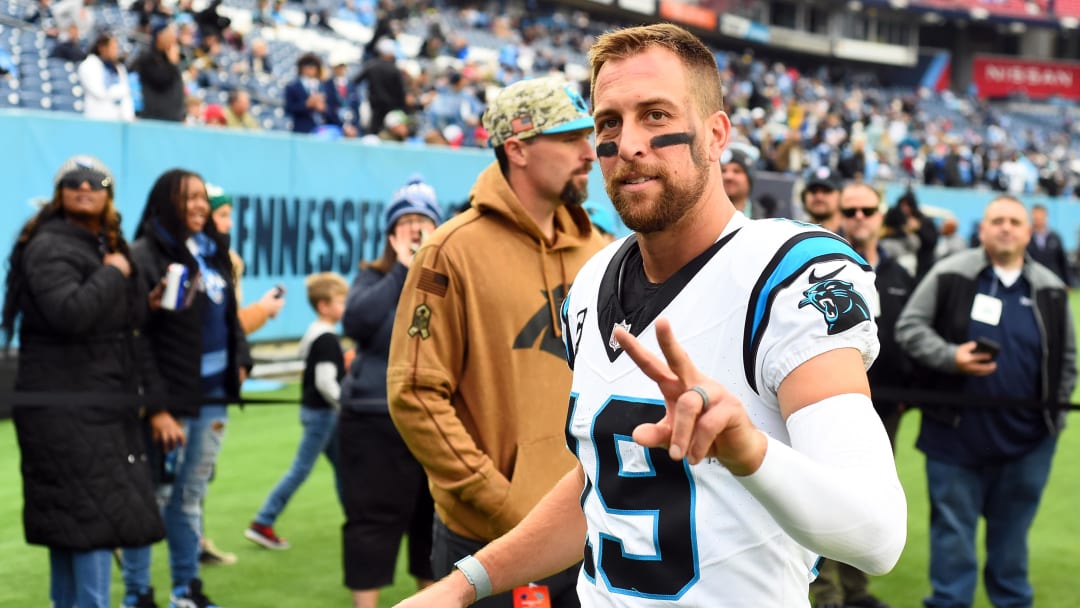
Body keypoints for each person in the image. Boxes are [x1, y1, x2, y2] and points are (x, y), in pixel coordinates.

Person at [392, 23, 906, 608]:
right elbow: (605, 477)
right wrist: (463, 585)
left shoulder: (786, 275)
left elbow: (877, 536)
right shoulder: (590, 282)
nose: (628, 143)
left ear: (715, 135)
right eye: (609, 121)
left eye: (656, 115)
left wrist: (748, 451)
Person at [386, 74, 607, 608]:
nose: (591, 153)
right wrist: (501, 500)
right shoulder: (450, 251)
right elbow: (414, 393)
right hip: (489, 538)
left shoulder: (603, 251)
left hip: (591, 532)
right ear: (518, 149)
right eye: (571, 138)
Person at [2, 156, 180, 608]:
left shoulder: (96, 244)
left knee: (77, 529)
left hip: (92, 409)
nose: (85, 186)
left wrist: (146, 301)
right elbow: (71, 313)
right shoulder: (50, 245)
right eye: (73, 181)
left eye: (96, 181)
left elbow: (112, 324)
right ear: (59, 192)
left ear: (109, 195)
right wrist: (114, 273)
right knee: (90, 528)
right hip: (67, 412)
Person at [895, 195, 1075, 608]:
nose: (1006, 227)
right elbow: (909, 327)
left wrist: (1054, 421)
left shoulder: (1048, 287)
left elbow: (1066, 359)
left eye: (1015, 221)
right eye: (998, 220)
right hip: (953, 435)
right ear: (983, 228)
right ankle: (950, 601)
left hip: (1028, 443)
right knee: (953, 534)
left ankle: (1011, 601)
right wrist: (950, 356)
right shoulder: (951, 273)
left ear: (1029, 231)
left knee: (1011, 536)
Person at [122, 168, 252, 608]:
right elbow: (135, 339)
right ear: (164, 202)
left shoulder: (214, 251)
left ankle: (186, 591)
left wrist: (241, 360)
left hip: (212, 400)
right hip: (170, 407)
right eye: (187, 198)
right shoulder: (143, 255)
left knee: (190, 499)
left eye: (202, 197)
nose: (199, 205)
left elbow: (229, 317)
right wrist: (157, 408)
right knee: (151, 501)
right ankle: (138, 594)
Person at [810, 183, 915, 608]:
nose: (858, 217)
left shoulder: (899, 271)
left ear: (880, 213)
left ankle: (855, 591)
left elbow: (908, 336)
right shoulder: (817, 264)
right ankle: (826, 592)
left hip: (884, 407)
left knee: (868, 497)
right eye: (849, 209)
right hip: (825, 403)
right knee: (822, 496)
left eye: (866, 209)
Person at [339, 177, 442, 608]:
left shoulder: (443, 278)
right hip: (372, 419)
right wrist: (403, 268)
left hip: (429, 416)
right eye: (407, 221)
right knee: (371, 523)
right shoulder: (374, 276)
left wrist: (424, 268)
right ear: (391, 232)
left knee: (431, 523)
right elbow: (358, 324)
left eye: (423, 221)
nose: (416, 230)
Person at [245, 272, 347, 549]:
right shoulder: (326, 338)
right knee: (301, 470)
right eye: (341, 301)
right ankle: (262, 521)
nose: (346, 306)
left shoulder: (316, 332)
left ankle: (356, 518)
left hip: (319, 412)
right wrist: (345, 405)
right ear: (324, 305)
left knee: (343, 466)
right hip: (323, 414)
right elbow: (326, 382)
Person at [131, 18, 185, 122]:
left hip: (174, 119)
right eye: (170, 33)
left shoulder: (170, 58)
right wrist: (172, 64)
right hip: (155, 119)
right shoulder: (147, 59)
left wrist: (183, 114)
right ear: (160, 36)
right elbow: (161, 81)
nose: (174, 38)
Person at [78, 31, 135, 121]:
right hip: (95, 119)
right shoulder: (89, 65)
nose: (116, 51)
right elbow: (100, 92)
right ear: (102, 48)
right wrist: (121, 90)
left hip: (117, 122)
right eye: (113, 47)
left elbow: (126, 96)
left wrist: (129, 117)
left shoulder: (119, 68)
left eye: (117, 47)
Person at [1027, 203, 1070, 286]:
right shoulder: (1026, 237)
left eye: (1040, 216)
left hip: (1053, 280)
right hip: (1032, 281)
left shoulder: (1055, 237)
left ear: (1045, 216)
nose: (1038, 219)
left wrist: (1068, 281)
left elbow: (1062, 261)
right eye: (1035, 216)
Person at [801, 166, 843, 234]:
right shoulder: (795, 234)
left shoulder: (851, 237)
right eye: (813, 191)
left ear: (841, 195)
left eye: (826, 191)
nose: (819, 197)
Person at [720, 147, 755, 217]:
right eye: (723, 171)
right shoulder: (702, 219)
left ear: (749, 178)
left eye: (737, 171)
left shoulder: (765, 221)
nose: (728, 176)